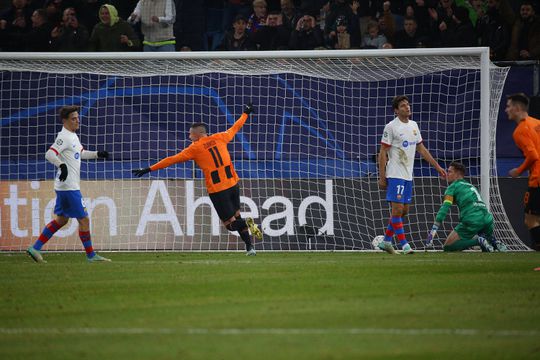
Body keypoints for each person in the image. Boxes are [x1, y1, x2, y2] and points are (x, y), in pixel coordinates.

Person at [132, 104, 262, 256]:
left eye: (190, 134)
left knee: (231, 225)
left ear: (199, 134)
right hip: (233, 183)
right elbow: (236, 127)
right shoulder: (221, 137)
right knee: (237, 215)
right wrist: (245, 113)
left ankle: (247, 224)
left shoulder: (194, 148)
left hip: (218, 190)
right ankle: (249, 247)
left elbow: (171, 159)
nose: (189, 137)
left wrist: (149, 169)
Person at [26, 106, 111, 263]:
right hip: (69, 187)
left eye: (77, 117)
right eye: (73, 118)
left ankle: (35, 248)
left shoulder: (72, 136)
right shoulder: (63, 136)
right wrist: (62, 166)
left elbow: (81, 153)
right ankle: (91, 255)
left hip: (64, 186)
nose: (77, 120)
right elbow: (49, 154)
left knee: (62, 220)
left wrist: (98, 154)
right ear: (64, 121)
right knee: (84, 220)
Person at [378, 95, 446, 254]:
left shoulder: (414, 125)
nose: (407, 107)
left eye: (408, 105)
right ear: (396, 110)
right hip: (395, 173)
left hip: (408, 175)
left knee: (404, 211)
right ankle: (405, 245)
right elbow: (382, 153)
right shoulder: (391, 127)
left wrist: (437, 167)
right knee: (397, 209)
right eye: (403, 106)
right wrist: (382, 177)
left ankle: (386, 241)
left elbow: (421, 149)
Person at [426, 162, 506, 252]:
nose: (447, 174)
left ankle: (478, 241)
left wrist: (432, 232)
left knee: (448, 247)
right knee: (486, 249)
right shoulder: (470, 186)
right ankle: (492, 241)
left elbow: (444, 209)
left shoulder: (453, 187)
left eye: (449, 172)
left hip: (472, 219)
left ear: (457, 174)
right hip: (488, 220)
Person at [506, 93, 540, 251]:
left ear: (517, 108)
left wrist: (518, 171)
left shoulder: (520, 131)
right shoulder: (537, 123)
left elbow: (533, 155)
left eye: (508, 106)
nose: (506, 110)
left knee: (531, 221)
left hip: (538, 179)